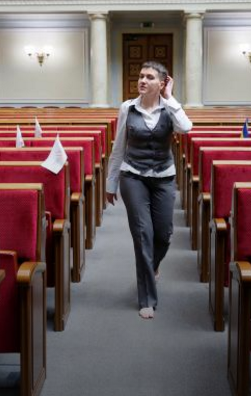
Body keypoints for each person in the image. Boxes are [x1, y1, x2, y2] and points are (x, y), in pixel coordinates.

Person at [106, 61, 193, 319]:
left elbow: (187, 128)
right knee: (143, 234)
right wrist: (111, 183)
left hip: (164, 177)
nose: (143, 80)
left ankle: (152, 266)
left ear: (162, 83)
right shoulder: (127, 108)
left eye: (150, 77)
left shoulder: (170, 108)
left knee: (164, 234)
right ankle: (147, 298)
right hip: (133, 176)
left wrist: (170, 98)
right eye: (141, 76)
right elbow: (118, 147)